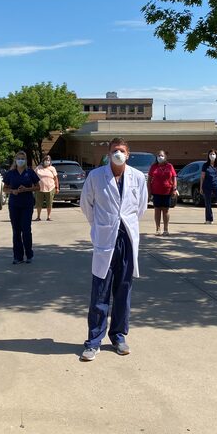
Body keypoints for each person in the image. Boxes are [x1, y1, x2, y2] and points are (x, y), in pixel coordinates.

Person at [79, 138, 148, 362]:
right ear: (108, 154)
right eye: (114, 151)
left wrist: (123, 223)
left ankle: (118, 336)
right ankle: (93, 341)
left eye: (122, 151)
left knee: (123, 290)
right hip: (105, 238)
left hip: (126, 238)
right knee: (100, 290)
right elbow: (86, 205)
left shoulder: (137, 177)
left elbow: (140, 208)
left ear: (128, 154)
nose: (118, 153)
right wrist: (100, 224)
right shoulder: (96, 176)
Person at [3, 151, 40, 264]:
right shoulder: (11, 173)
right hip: (14, 204)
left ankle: (29, 254)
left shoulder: (30, 172)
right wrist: (12, 191)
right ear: (15, 160)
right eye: (18, 158)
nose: (20, 160)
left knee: (26, 229)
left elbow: (38, 187)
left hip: (27, 204)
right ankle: (17, 256)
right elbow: (5, 188)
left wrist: (27, 189)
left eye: (22, 159)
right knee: (16, 230)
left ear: (25, 160)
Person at [147, 150, 177, 235]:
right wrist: (148, 192)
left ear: (165, 157)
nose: (160, 157)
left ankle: (166, 229)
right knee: (157, 210)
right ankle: (158, 228)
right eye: (159, 156)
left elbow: (174, 177)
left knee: (166, 211)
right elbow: (149, 180)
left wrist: (174, 189)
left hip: (167, 192)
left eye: (162, 156)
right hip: (156, 192)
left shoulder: (169, 166)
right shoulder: (154, 166)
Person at [34, 156, 59, 221]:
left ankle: (49, 216)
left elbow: (56, 179)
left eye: (48, 160)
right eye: (46, 160)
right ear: (43, 160)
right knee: (39, 203)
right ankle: (38, 216)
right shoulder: (38, 168)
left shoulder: (52, 168)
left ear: (50, 161)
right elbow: (33, 177)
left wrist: (57, 187)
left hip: (50, 188)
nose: (47, 161)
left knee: (49, 202)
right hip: (39, 188)